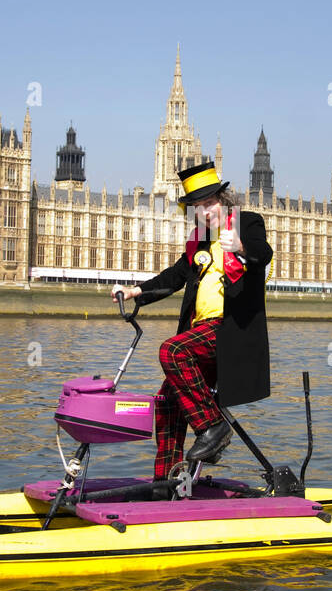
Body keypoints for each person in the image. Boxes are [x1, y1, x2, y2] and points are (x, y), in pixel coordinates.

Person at [111, 161, 272, 479]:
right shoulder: (198, 241)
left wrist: (239, 246)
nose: (205, 212)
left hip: (230, 332)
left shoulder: (247, 224)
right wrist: (136, 292)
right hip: (201, 335)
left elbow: (262, 252)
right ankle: (166, 479)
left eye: (209, 203)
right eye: (197, 207)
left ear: (223, 200)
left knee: (172, 351)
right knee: (168, 402)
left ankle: (213, 426)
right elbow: (174, 277)